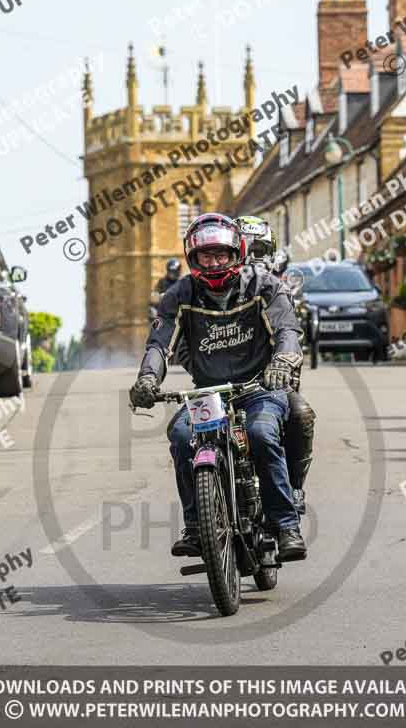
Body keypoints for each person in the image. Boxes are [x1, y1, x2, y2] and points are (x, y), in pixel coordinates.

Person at [130, 213, 306, 562]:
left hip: (259, 388)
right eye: (205, 256)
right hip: (207, 394)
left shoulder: (264, 285)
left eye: (220, 255)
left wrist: (282, 363)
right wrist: (148, 378)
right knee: (181, 436)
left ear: (236, 253)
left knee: (261, 434)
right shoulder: (179, 294)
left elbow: (287, 331)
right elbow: (159, 343)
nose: (213, 263)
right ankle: (196, 527)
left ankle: (286, 525)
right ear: (192, 257)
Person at [235, 216, 316, 517]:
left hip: (274, 383)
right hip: (224, 383)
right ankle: (203, 514)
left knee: (301, 414)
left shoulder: (278, 286)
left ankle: (295, 486)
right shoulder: (219, 289)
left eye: (259, 250)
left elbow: (290, 332)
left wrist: (284, 363)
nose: (252, 257)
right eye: (246, 248)